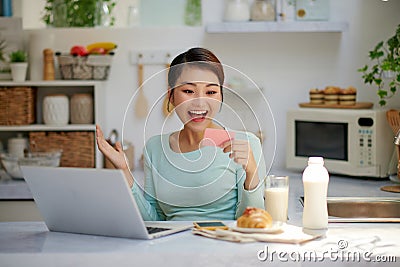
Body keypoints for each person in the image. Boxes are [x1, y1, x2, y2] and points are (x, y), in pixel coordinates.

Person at [96, 47, 266, 221]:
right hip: (168, 247)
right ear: (171, 95)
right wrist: (124, 171)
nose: (200, 102)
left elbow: (253, 223)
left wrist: (251, 173)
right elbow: (154, 221)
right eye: (188, 91)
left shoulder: (247, 144)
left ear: (221, 96)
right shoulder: (155, 148)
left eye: (211, 92)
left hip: (223, 245)